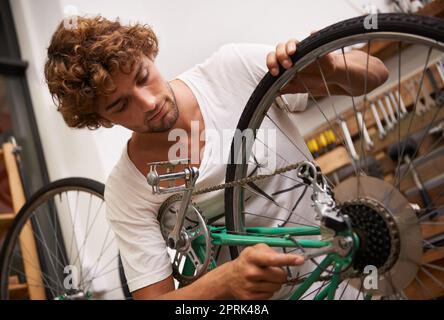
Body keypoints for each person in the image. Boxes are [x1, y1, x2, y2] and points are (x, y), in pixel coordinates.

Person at [44, 16, 389, 300]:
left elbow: (376, 74)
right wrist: (224, 282)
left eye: (143, 77)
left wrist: (331, 66)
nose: (148, 103)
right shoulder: (127, 188)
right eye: (121, 105)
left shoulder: (231, 70)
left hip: (348, 272)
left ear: (148, 54)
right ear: (101, 119)